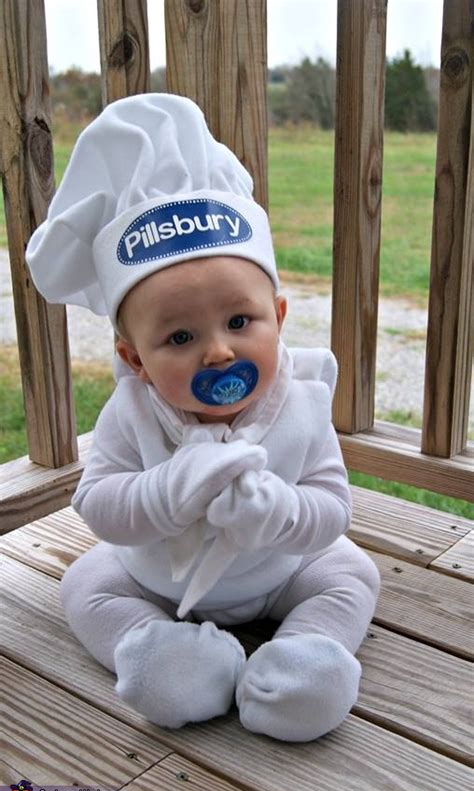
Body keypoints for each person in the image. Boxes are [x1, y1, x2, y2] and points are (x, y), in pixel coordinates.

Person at [26, 93, 380, 742]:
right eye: (180, 338)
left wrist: (279, 512)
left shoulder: (300, 402)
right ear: (134, 358)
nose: (219, 349)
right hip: (158, 580)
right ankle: (164, 657)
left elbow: (333, 505)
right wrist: (166, 491)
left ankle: (309, 658)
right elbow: (98, 502)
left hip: (279, 571)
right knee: (85, 584)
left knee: (351, 571)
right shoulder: (132, 412)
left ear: (277, 313)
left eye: (240, 321)